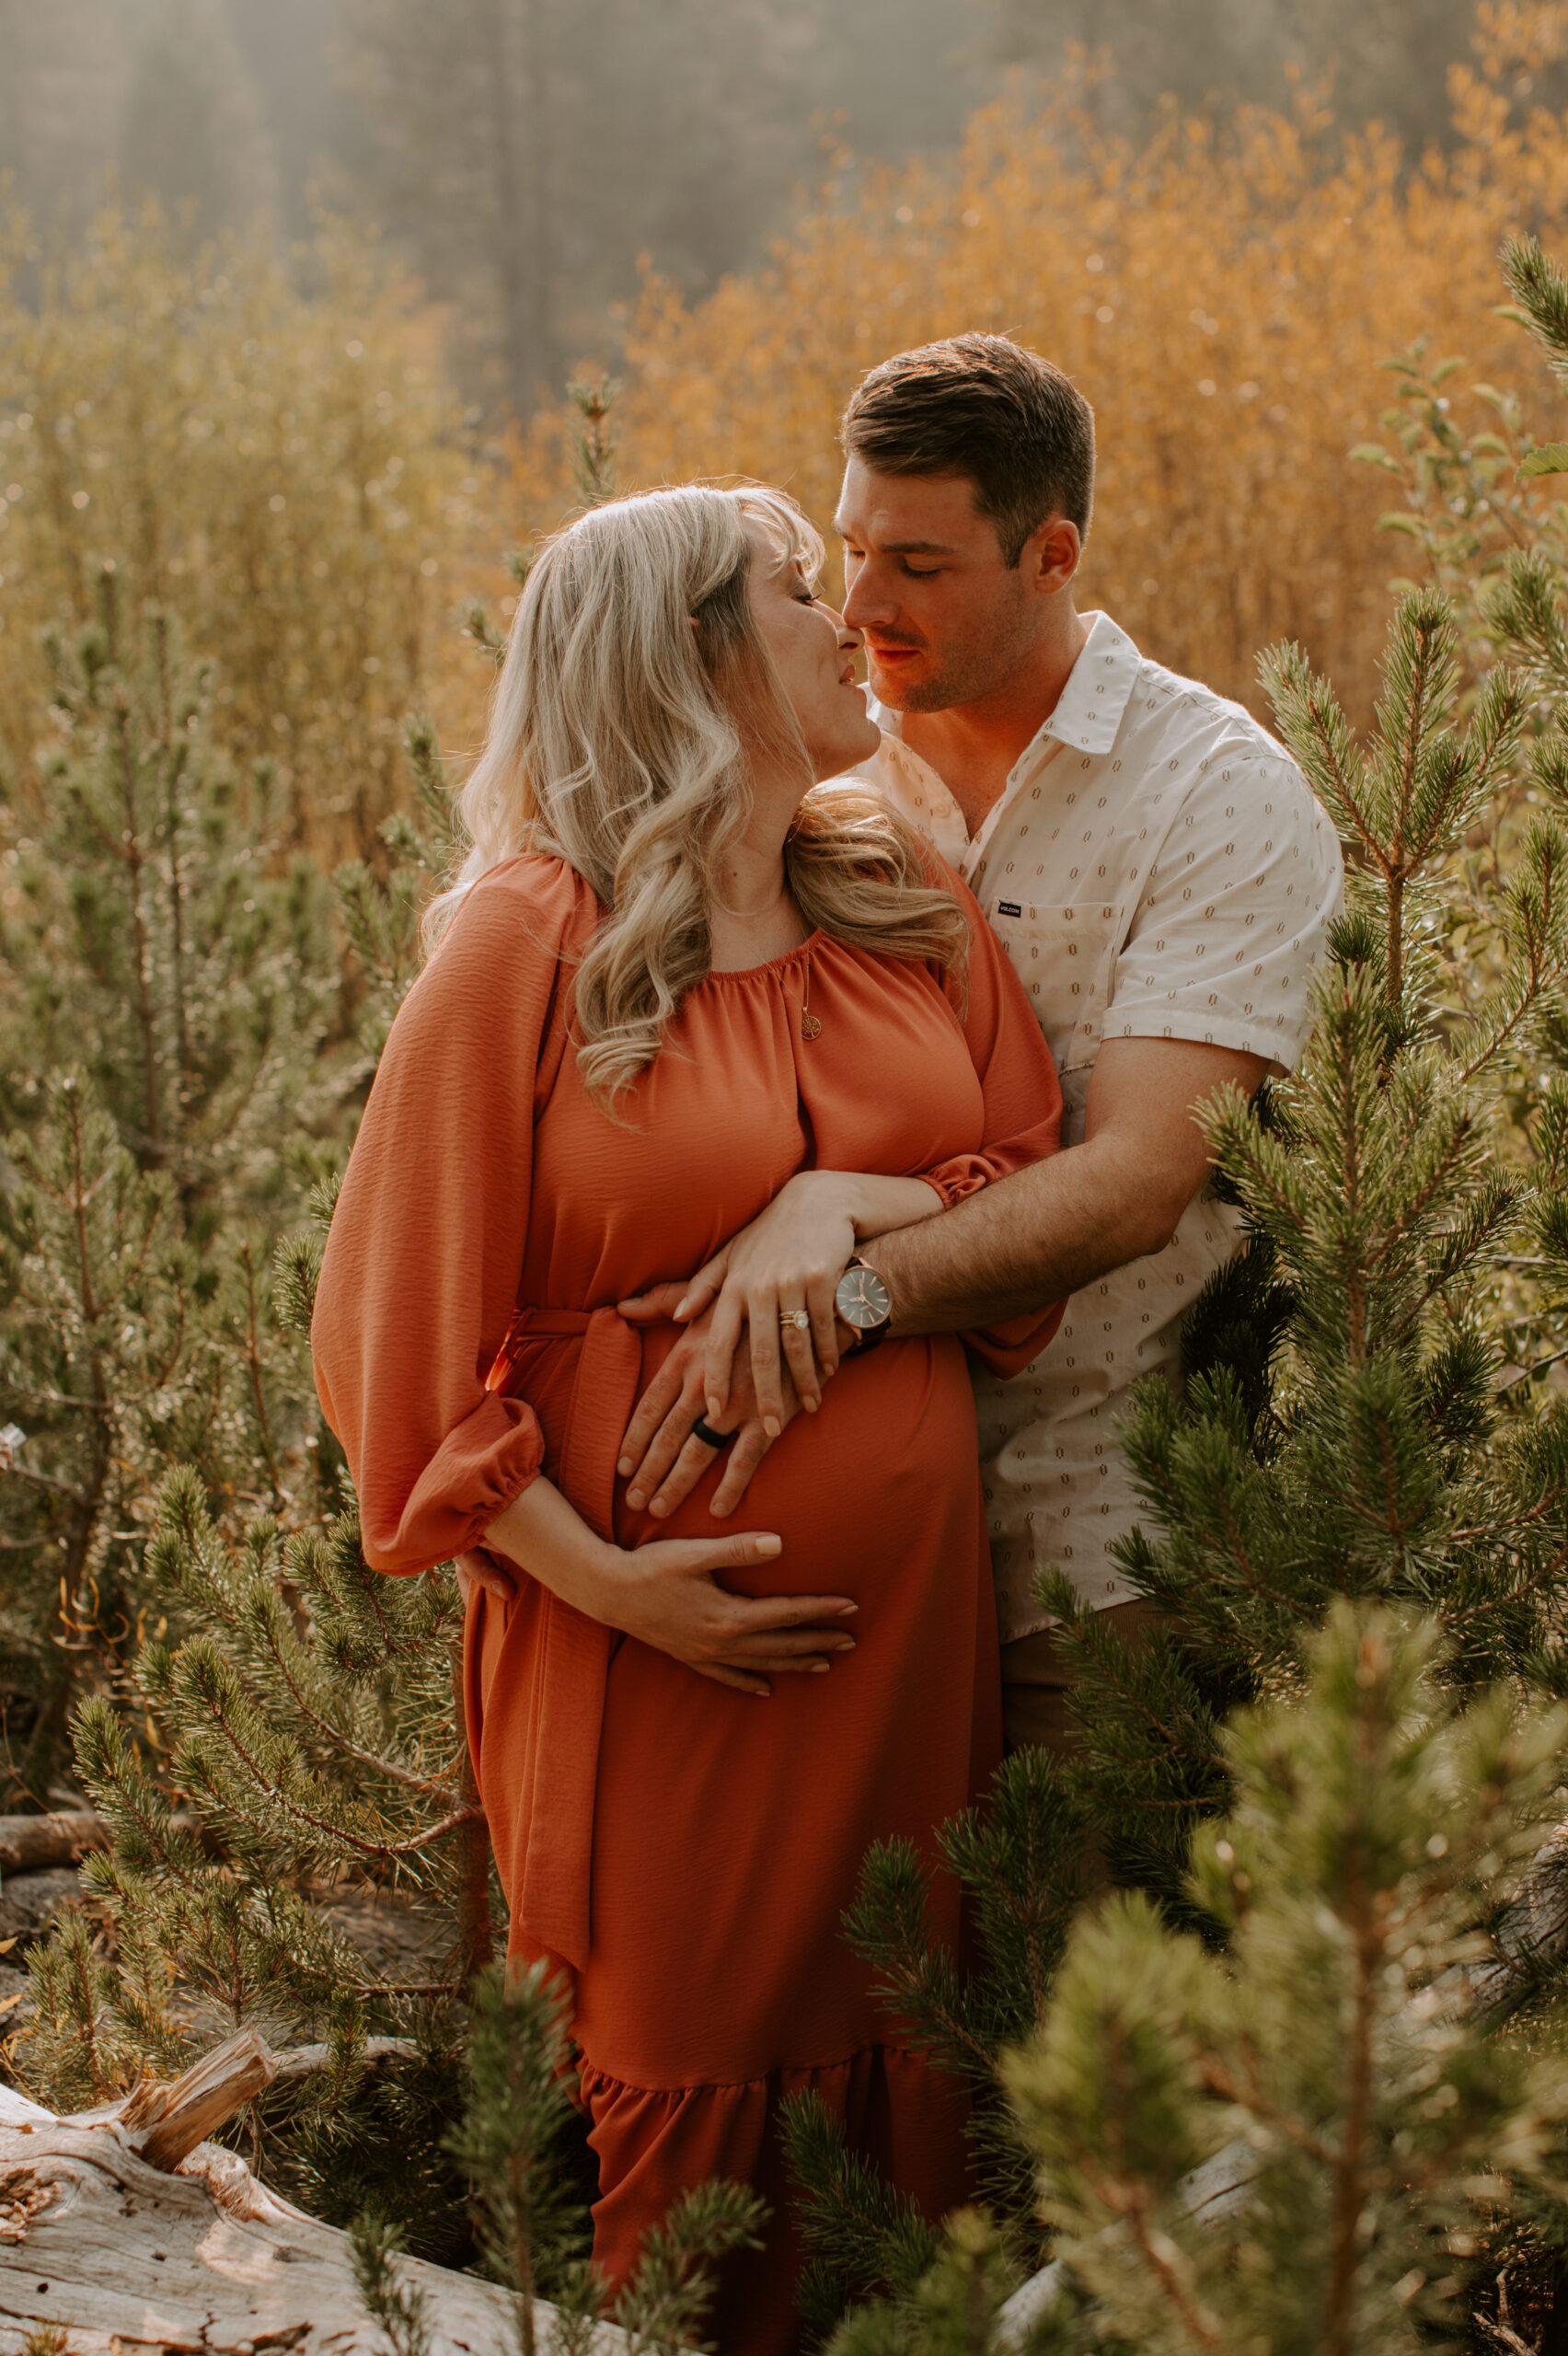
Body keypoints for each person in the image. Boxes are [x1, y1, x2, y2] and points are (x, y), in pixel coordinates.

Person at [310, 482, 1066, 2353]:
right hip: (658, 1656)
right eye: (794, 596)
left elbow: (1020, 1171)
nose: (843, 628)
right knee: (702, 2099)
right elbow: (392, 1369)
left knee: (908, 2075)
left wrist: (848, 1204)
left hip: (904, 1649)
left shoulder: (892, 881)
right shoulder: (526, 940)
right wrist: (616, 1592)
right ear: (692, 658)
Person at [617, 337, 1343, 1756]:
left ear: (1052, 551)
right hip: (791, 1546)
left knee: (1068, 1966)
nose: (864, 608)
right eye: (848, 553)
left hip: (1079, 1545)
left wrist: (842, 1295)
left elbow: (1138, 1183)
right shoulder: (817, 759)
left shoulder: (1215, 797)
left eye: (922, 567)